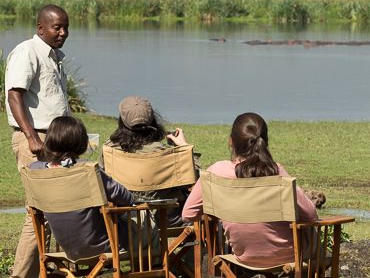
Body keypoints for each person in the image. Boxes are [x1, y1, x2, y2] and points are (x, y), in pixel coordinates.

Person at [182, 112, 318, 267]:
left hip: (243, 257)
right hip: (291, 257)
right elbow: (311, 215)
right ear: (265, 142)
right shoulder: (276, 172)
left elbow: (188, 214)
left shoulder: (216, 172)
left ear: (231, 142)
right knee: (311, 233)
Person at [4, 4, 71, 278]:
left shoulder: (54, 56)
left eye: (66, 27)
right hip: (37, 141)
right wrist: (32, 137)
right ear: (40, 28)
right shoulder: (27, 52)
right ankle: (22, 274)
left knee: (55, 209)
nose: (63, 33)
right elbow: (13, 95)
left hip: (54, 142)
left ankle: (46, 268)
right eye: (57, 28)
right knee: (37, 212)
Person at [28, 116, 134, 261]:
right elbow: (127, 198)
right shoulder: (87, 170)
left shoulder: (35, 171)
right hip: (106, 246)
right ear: (81, 142)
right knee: (142, 221)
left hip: (69, 250)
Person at [101, 96, 196, 226]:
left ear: (122, 122)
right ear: (153, 121)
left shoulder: (109, 151)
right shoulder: (167, 154)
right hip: (166, 218)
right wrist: (184, 148)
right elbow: (195, 181)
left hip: (125, 218)